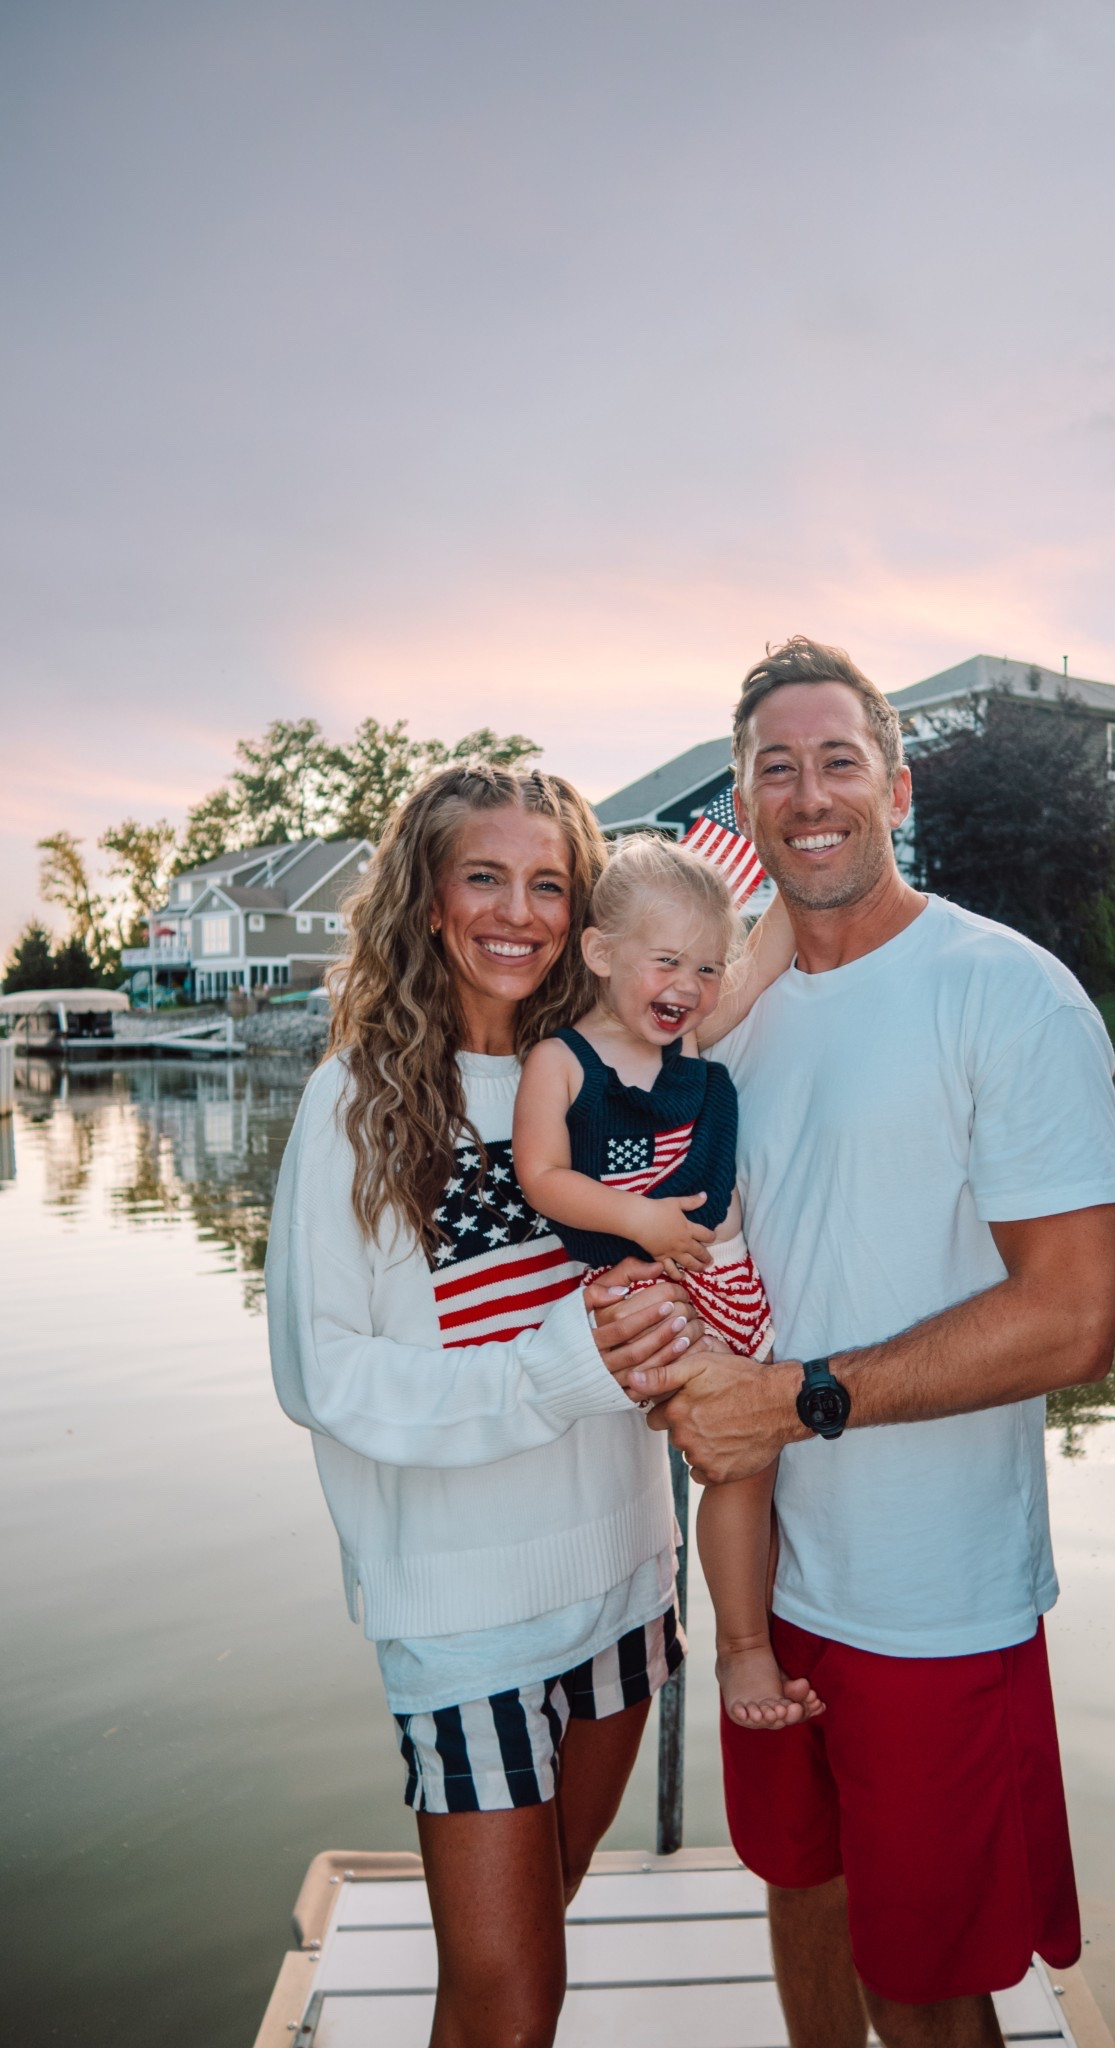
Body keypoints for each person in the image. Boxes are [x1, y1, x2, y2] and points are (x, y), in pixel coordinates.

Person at [630, 638, 1115, 2048]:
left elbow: (1072, 1319)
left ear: (895, 784)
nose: (807, 794)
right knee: (797, 1887)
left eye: (837, 759)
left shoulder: (1007, 992)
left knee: (922, 1980)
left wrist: (791, 1402)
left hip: (928, 1591)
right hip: (764, 1576)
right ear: (739, 804)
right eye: (771, 769)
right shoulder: (721, 1021)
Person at [266, 764, 706, 2048]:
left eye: (550, 884)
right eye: (483, 876)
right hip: (462, 1615)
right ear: (427, 894)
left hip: (625, 1573)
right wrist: (557, 1363)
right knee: (513, 1998)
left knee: (531, 1938)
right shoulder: (353, 1102)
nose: (518, 912)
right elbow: (324, 1374)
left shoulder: (612, 1077)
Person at [513, 831, 821, 1730]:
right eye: (666, 962)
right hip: (642, 1279)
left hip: (726, 1275)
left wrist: (786, 840)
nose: (688, 986)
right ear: (602, 955)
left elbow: (765, 958)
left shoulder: (687, 1040)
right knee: (723, 1441)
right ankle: (742, 1650)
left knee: (749, 1457)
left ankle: (742, 1635)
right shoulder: (562, 1060)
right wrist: (639, 1217)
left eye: (705, 969)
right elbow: (543, 1176)